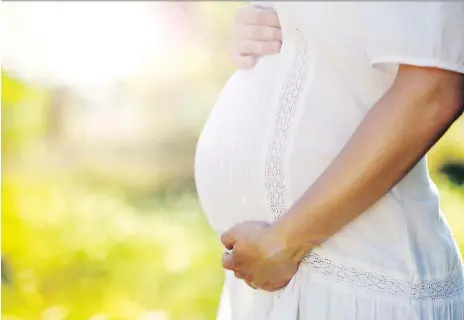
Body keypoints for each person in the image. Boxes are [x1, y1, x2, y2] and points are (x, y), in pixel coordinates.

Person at [195, 2, 464, 319]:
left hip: (357, 282)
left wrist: (286, 241)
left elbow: (435, 87)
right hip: (271, 278)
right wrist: (263, 25)